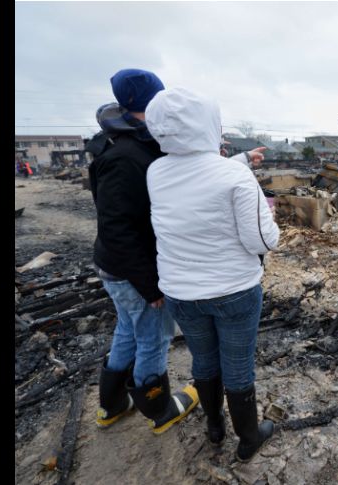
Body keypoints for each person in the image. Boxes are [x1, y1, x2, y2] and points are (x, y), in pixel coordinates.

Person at [144, 87, 280, 462]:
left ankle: (214, 426)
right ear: (209, 125)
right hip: (233, 289)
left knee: (203, 358)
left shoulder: (156, 172)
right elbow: (263, 241)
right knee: (237, 364)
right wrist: (272, 222)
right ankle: (249, 437)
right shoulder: (234, 178)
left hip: (180, 292)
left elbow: (195, 170)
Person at [85, 69, 199, 434]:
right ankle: (160, 408)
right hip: (132, 270)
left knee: (129, 330)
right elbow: (118, 229)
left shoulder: (119, 142)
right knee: (153, 336)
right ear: (151, 102)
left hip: (116, 269)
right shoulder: (126, 157)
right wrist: (151, 287)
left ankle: (112, 405)